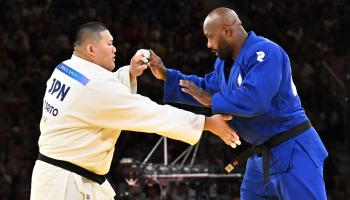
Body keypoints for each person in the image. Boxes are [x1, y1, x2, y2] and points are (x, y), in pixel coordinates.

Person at [30, 22, 240, 200]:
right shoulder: (95, 86)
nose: (115, 49)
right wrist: (207, 123)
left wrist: (128, 73)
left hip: (58, 177)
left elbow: (98, 94)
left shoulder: (66, 68)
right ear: (91, 49)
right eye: (110, 44)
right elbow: (149, 113)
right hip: (66, 186)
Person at [148, 7, 328, 199]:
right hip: (261, 157)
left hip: (293, 149)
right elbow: (203, 88)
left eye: (210, 37)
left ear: (227, 31)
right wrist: (166, 75)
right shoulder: (224, 64)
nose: (208, 44)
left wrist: (211, 100)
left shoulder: (265, 52)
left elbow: (255, 99)